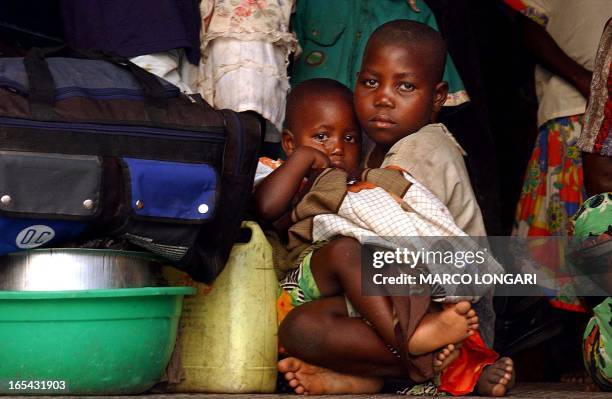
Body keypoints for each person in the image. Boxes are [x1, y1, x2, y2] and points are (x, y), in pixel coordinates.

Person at [265, 60, 512, 397]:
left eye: (350, 138)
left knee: (365, 265)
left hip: (361, 307)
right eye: (322, 137)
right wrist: (303, 161)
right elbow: (266, 208)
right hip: (307, 288)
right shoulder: (281, 173)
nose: (337, 147)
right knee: (300, 324)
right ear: (290, 142)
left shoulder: (365, 187)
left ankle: (377, 375)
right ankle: (435, 360)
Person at [507, 0, 612, 312]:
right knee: (556, 269)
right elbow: (527, 25)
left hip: (590, 107)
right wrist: (586, 81)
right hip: (571, 109)